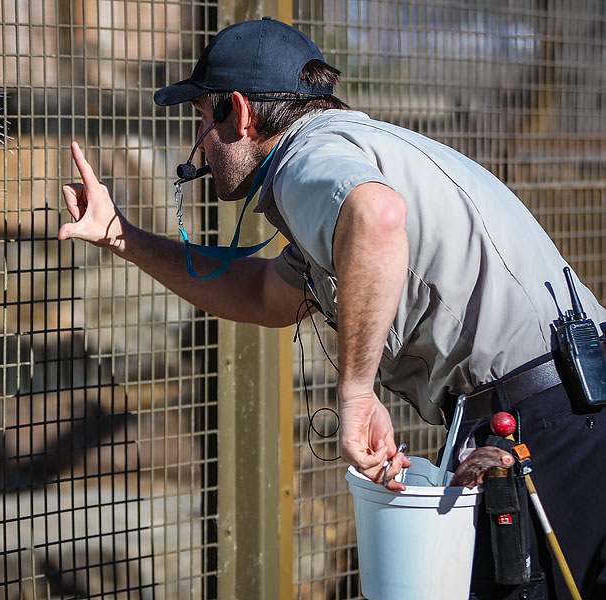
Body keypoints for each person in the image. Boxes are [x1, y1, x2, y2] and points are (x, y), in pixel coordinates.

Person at [58, 16, 606, 600]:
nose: (200, 142)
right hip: (573, 405)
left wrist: (356, 392)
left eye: (202, 117)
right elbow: (265, 295)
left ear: (238, 113)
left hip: (548, 422)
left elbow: (375, 219)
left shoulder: (305, 162)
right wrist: (121, 235)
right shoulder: (351, 154)